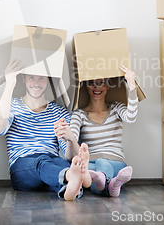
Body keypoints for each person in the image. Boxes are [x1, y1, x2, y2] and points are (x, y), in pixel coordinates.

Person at [0, 59, 91, 201]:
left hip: (52, 164)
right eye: (31, 77)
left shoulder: (59, 112)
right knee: (42, 162)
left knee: (64, 164)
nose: (36, 83)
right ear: (24, 78)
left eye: (41, 78)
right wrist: (9, 84)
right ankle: (71, 176)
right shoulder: (11, 105)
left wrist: (71, 139)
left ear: (47, 80)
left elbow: (69, 156)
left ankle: (69, 189)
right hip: (23, 166)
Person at [54, 65, 138, 197]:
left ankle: (103, 178)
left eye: (102, 83)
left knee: (99, 167)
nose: (96, 87)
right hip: (91, 163)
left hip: (116, 162)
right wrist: (69, 138)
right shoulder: (79, 115)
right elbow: (73, 148)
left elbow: (132, 117)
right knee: (89, 172)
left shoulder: (116, 108)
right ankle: (112, 187)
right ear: (86, 86)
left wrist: (131, 84)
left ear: (108, 86)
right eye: (92, 83)